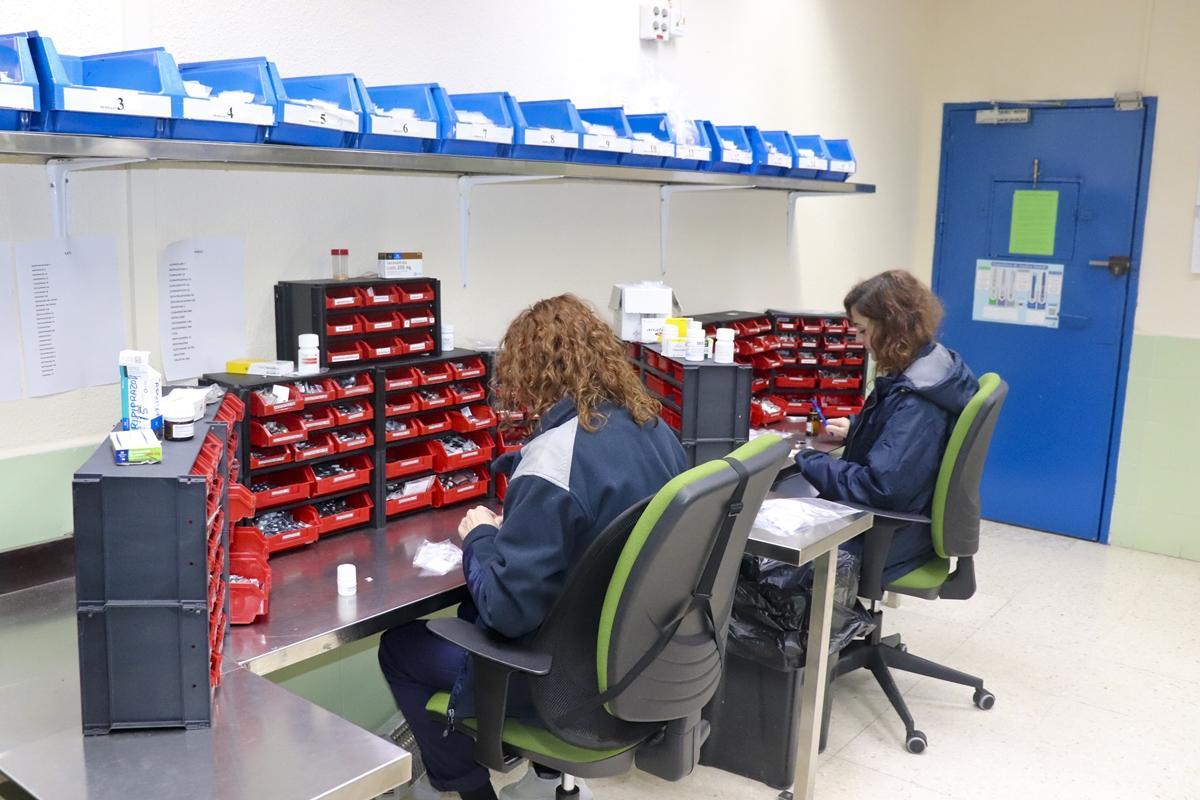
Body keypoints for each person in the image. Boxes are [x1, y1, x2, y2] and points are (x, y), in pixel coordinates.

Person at [378, 294, 688, 800]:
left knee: (400, 648)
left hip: (566, 684)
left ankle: (469, 789)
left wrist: (479, 534)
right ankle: (543, 775)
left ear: (532, 374)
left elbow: (506, 612)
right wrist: (523, 525)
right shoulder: (653, 426)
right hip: (641, 662)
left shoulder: (553, 459)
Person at [795, 269, 979, 582]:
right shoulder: (931, 368)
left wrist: (808, 459)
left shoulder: (917, 401)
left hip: (892, 537)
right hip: (905, 524)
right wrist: (856, 429)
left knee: (763, 547)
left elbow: (879, 488)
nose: (858, 339)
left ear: (892, 327)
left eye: (863, 330)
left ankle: (817, 626)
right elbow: (903, 448)